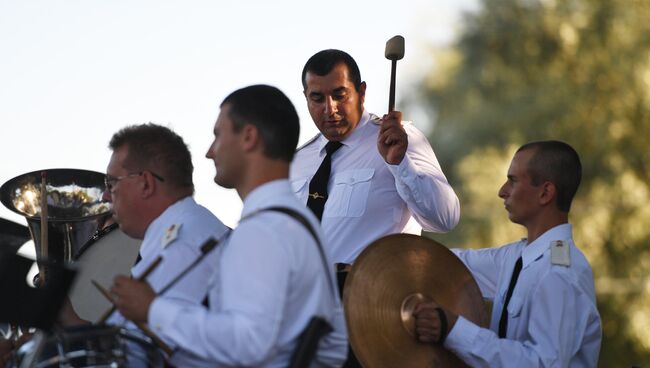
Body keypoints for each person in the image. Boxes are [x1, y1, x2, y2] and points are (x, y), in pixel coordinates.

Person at [111, 85, 348, 367]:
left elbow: (248, 344)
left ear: (249, 137)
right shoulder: (298, 223)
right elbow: (334, 345)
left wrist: (153, 310)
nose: (210, 152)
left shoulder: (263, 229)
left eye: (218, 135)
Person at [413, 140, 601, 367]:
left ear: (545, 192)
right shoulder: (518, 257)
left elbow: (542, 364)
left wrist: (454, 330)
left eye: (513, 181)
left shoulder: (560, 272)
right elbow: (442, 263)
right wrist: (376, 259)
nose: (502, 191)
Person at [60, 124, 230, 363]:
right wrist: (70, 323)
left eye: (111, 184)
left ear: (146, 184)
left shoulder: (182, 245)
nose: (106, 197)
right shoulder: (178, 234)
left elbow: (136, 357)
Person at [291, 49, 460, 269]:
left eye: (339, 95)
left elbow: (445, 219)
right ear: (305, 97)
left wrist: (400, 164)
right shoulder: (297, 161)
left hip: (375, 297)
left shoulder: (398, 140)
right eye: (317, 98)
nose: (329, 108)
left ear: (361, 92)